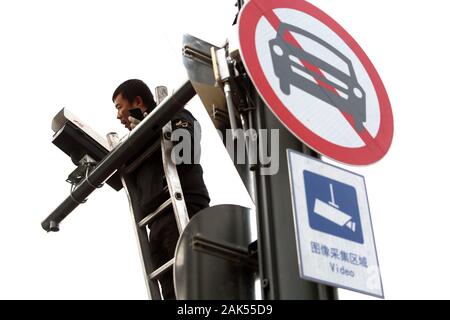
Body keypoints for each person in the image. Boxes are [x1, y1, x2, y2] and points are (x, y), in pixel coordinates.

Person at [112, 79, 210, 299]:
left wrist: (149, 127)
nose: (118, 116)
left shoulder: (175, 116)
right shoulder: (135, 144)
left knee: (194, 286)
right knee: (170, 292)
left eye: (120, 107)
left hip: (182, 207)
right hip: (155, 222)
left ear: (137, 101)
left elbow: (187, 152)